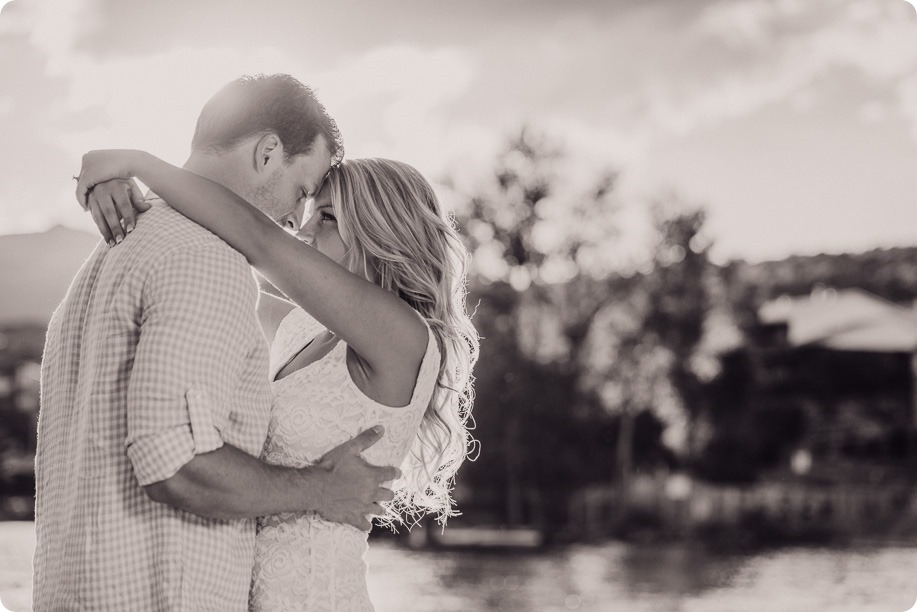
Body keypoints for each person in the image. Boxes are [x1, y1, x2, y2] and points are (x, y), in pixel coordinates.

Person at [35, 74, 400, 611]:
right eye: (303, 191)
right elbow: (174, 464)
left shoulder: (105, 259)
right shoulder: (206, 258)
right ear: (268, 152)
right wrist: (322, 489)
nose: (296, 221)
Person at [76, 151, 479, 610]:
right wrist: (115, 191)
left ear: (382, 232)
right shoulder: (302, 330)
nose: (303, 231)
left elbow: (256, 240)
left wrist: (136, 162)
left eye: (326, 218)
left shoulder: (404, 337)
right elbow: (212, 255)